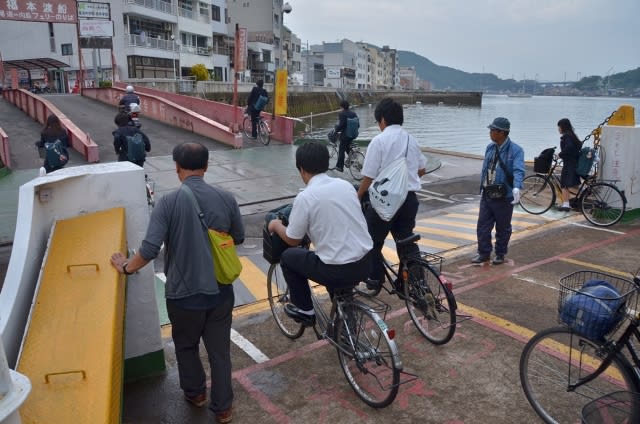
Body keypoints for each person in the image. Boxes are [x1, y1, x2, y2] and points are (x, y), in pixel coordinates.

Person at [110, 142, 243, 423]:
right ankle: (224, 409)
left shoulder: (168, 203)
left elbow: (149, 250)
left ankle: (197, 394)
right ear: (206, 166)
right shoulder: (227, 198)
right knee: (220, 353)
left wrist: (125, 267)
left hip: (184, 296)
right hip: (221, 292)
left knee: (186, 346)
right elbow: (239, 237)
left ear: (177, 168)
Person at [267, 141, 372, 325]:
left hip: (337, 270)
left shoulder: (305, 197)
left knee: (289, 257)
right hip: (366, 262)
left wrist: (275, 225)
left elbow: (292, 239)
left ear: (301, 169)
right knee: (334, 262)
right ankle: (346, 325)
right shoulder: (345, 185)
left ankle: (305, 310)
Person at [356, 98, 427, 293]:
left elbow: (368, 176)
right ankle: (416, 285)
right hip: (409, 200)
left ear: (383, 120)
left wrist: (358, 196)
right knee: (406, 241)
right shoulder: (412, 140)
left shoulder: (379, 141)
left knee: (371, 241)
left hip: (384, 202)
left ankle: (374, 280)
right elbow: (422, 169)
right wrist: (405, 179)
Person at [472, 117, 525, 265]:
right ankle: (483, 253)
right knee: (483, 226)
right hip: (488, 192)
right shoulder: (490, 147)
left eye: (492, 130)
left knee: (503, 227)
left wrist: (516, 187)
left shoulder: (516, 150)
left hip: (504, 195)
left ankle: (500, 253)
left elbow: (519, 170)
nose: (490, 132)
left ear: (501, 132)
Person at [557, 118, 582, 211]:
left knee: (564, 184)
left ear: (563, 127)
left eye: (559, 127)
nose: (558, 129)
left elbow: (569, 147)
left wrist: (560, 154)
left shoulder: (567, 136)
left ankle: (566, 205)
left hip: (569, 164)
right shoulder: (572, 135)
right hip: (574, 162)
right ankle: (573, 202)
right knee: (573, 183)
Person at [332, 100, 359, 172]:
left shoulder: (342, 114)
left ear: (342, 107)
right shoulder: (353, 113)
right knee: (347, 146)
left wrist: (336, 130)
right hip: (354, 134)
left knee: (341, 149)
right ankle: (352, 158)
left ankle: (339, 167)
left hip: (346, 135)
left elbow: (341, 125)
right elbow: (358, 125)